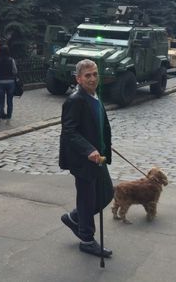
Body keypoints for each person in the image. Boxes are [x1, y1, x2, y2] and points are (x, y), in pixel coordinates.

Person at [59, 59, 114, 258]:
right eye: (87, 75)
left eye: (95, 74)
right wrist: (89, 149)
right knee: (87, 198)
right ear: (78, 78)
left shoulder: (95, 95)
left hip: (99, 157)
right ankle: (87, 240)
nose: (92, 78)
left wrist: (103, 146)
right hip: (84, 160)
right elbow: (69, 131)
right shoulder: (75, 100)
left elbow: (97, 125)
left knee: (106, 193)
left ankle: (75, 218)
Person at [0, 45, 17, 123]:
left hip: (0, 82)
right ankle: (8, 118)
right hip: (10, 82)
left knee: (0, 101)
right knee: (9, 101)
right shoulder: (11, 60)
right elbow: (15, 71)